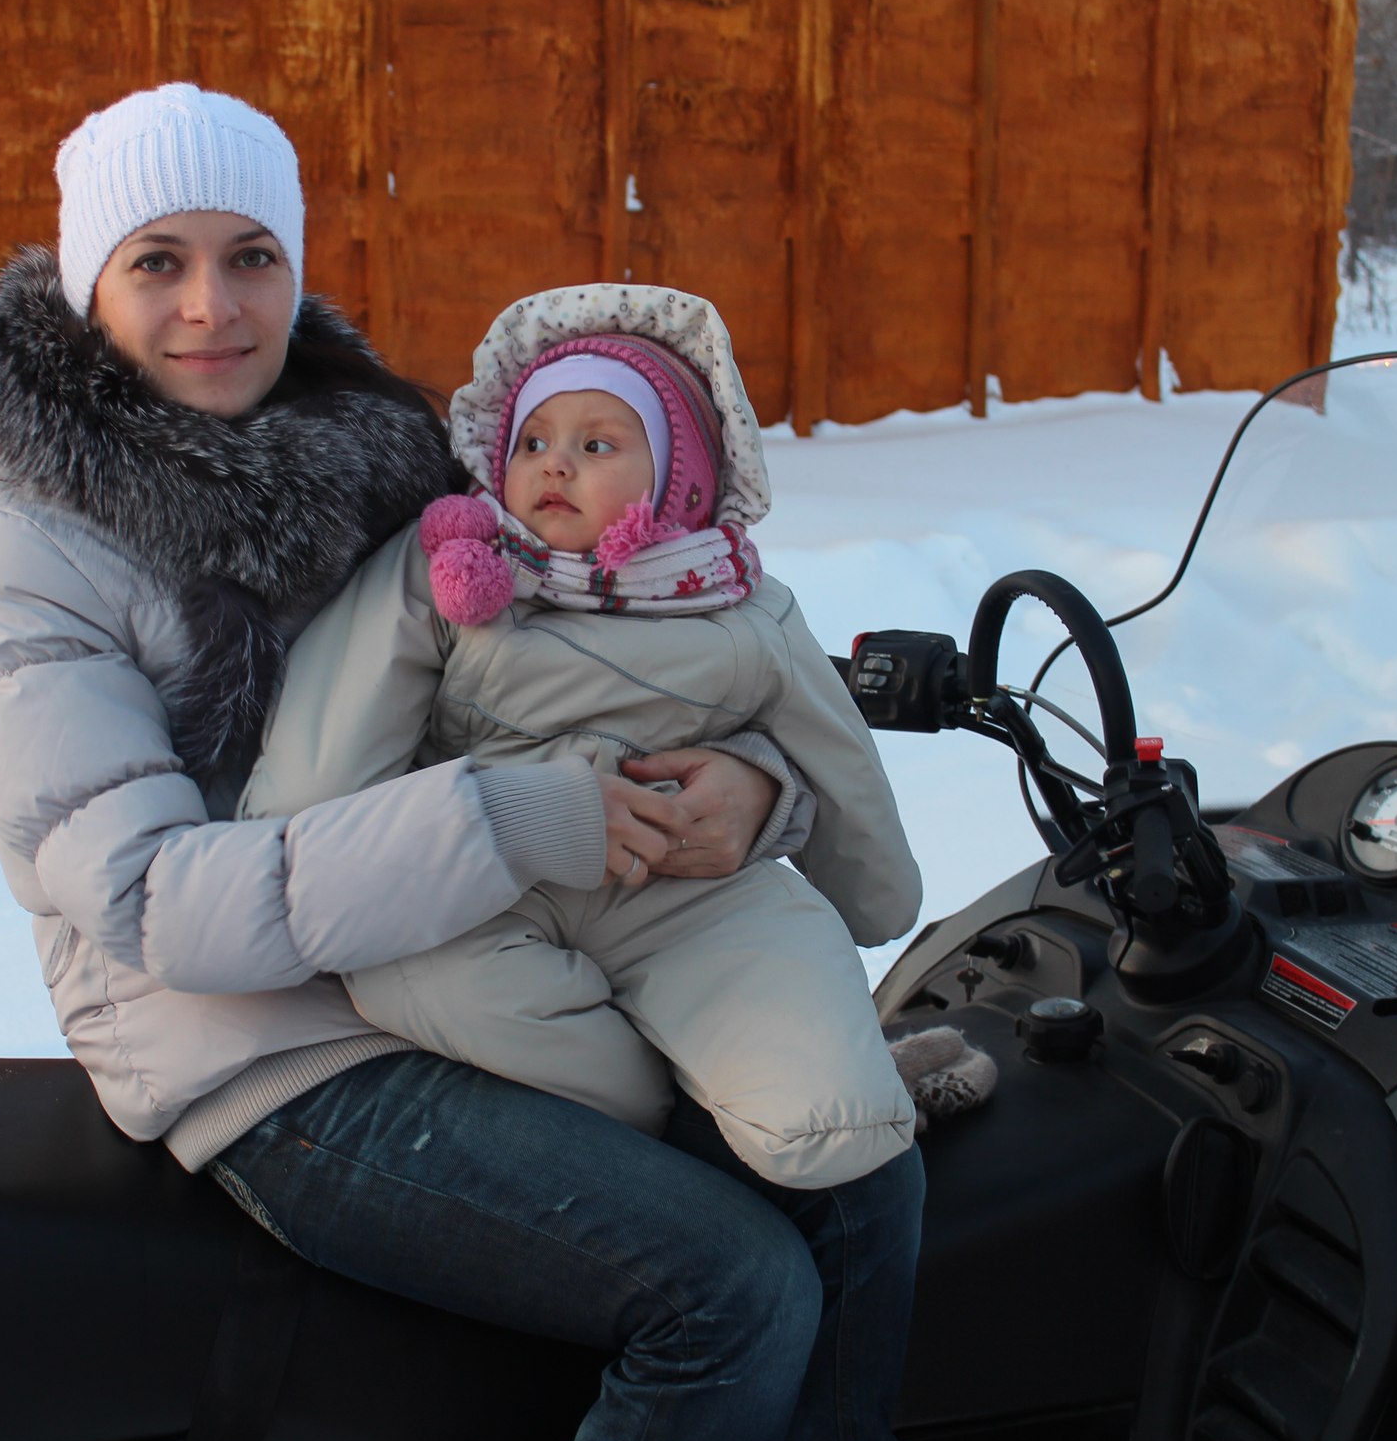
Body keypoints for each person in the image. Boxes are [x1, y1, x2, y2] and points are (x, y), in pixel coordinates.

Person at [0, 82, 925, 1441]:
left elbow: (585, 670)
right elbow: (153, 903)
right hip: (271, 1050)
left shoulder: (374, 447)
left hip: (484, 943)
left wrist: (754, 789)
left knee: (857, 1178)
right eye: (158, 262)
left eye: (253, 256)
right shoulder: (21, 550)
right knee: (727, 1287)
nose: (213, 306)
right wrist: (510, 819)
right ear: (87, 283)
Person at [242, 286, 923, 1189]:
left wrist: (872, 891)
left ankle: (793, 1077)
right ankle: (651, 1103)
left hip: (686, 891)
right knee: (413, 976)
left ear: (681, 477)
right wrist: (283, 852)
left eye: (597, 445)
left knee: (832, 1121)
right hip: (487, 881)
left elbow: (837, 758)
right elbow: (341, 717)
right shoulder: (456, 571)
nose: (554, 464)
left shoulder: (743, 610)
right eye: (532, 442)